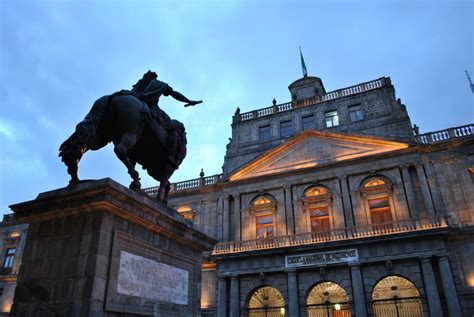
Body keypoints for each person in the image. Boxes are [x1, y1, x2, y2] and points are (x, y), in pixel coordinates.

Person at [131, 70, 201, 166]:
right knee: (174, 127)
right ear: (154, 78)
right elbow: (174, 94)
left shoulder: (138, 84)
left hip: (136, 104)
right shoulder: (158, 84)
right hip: (151, 109)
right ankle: (171, 156)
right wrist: (188, 101)